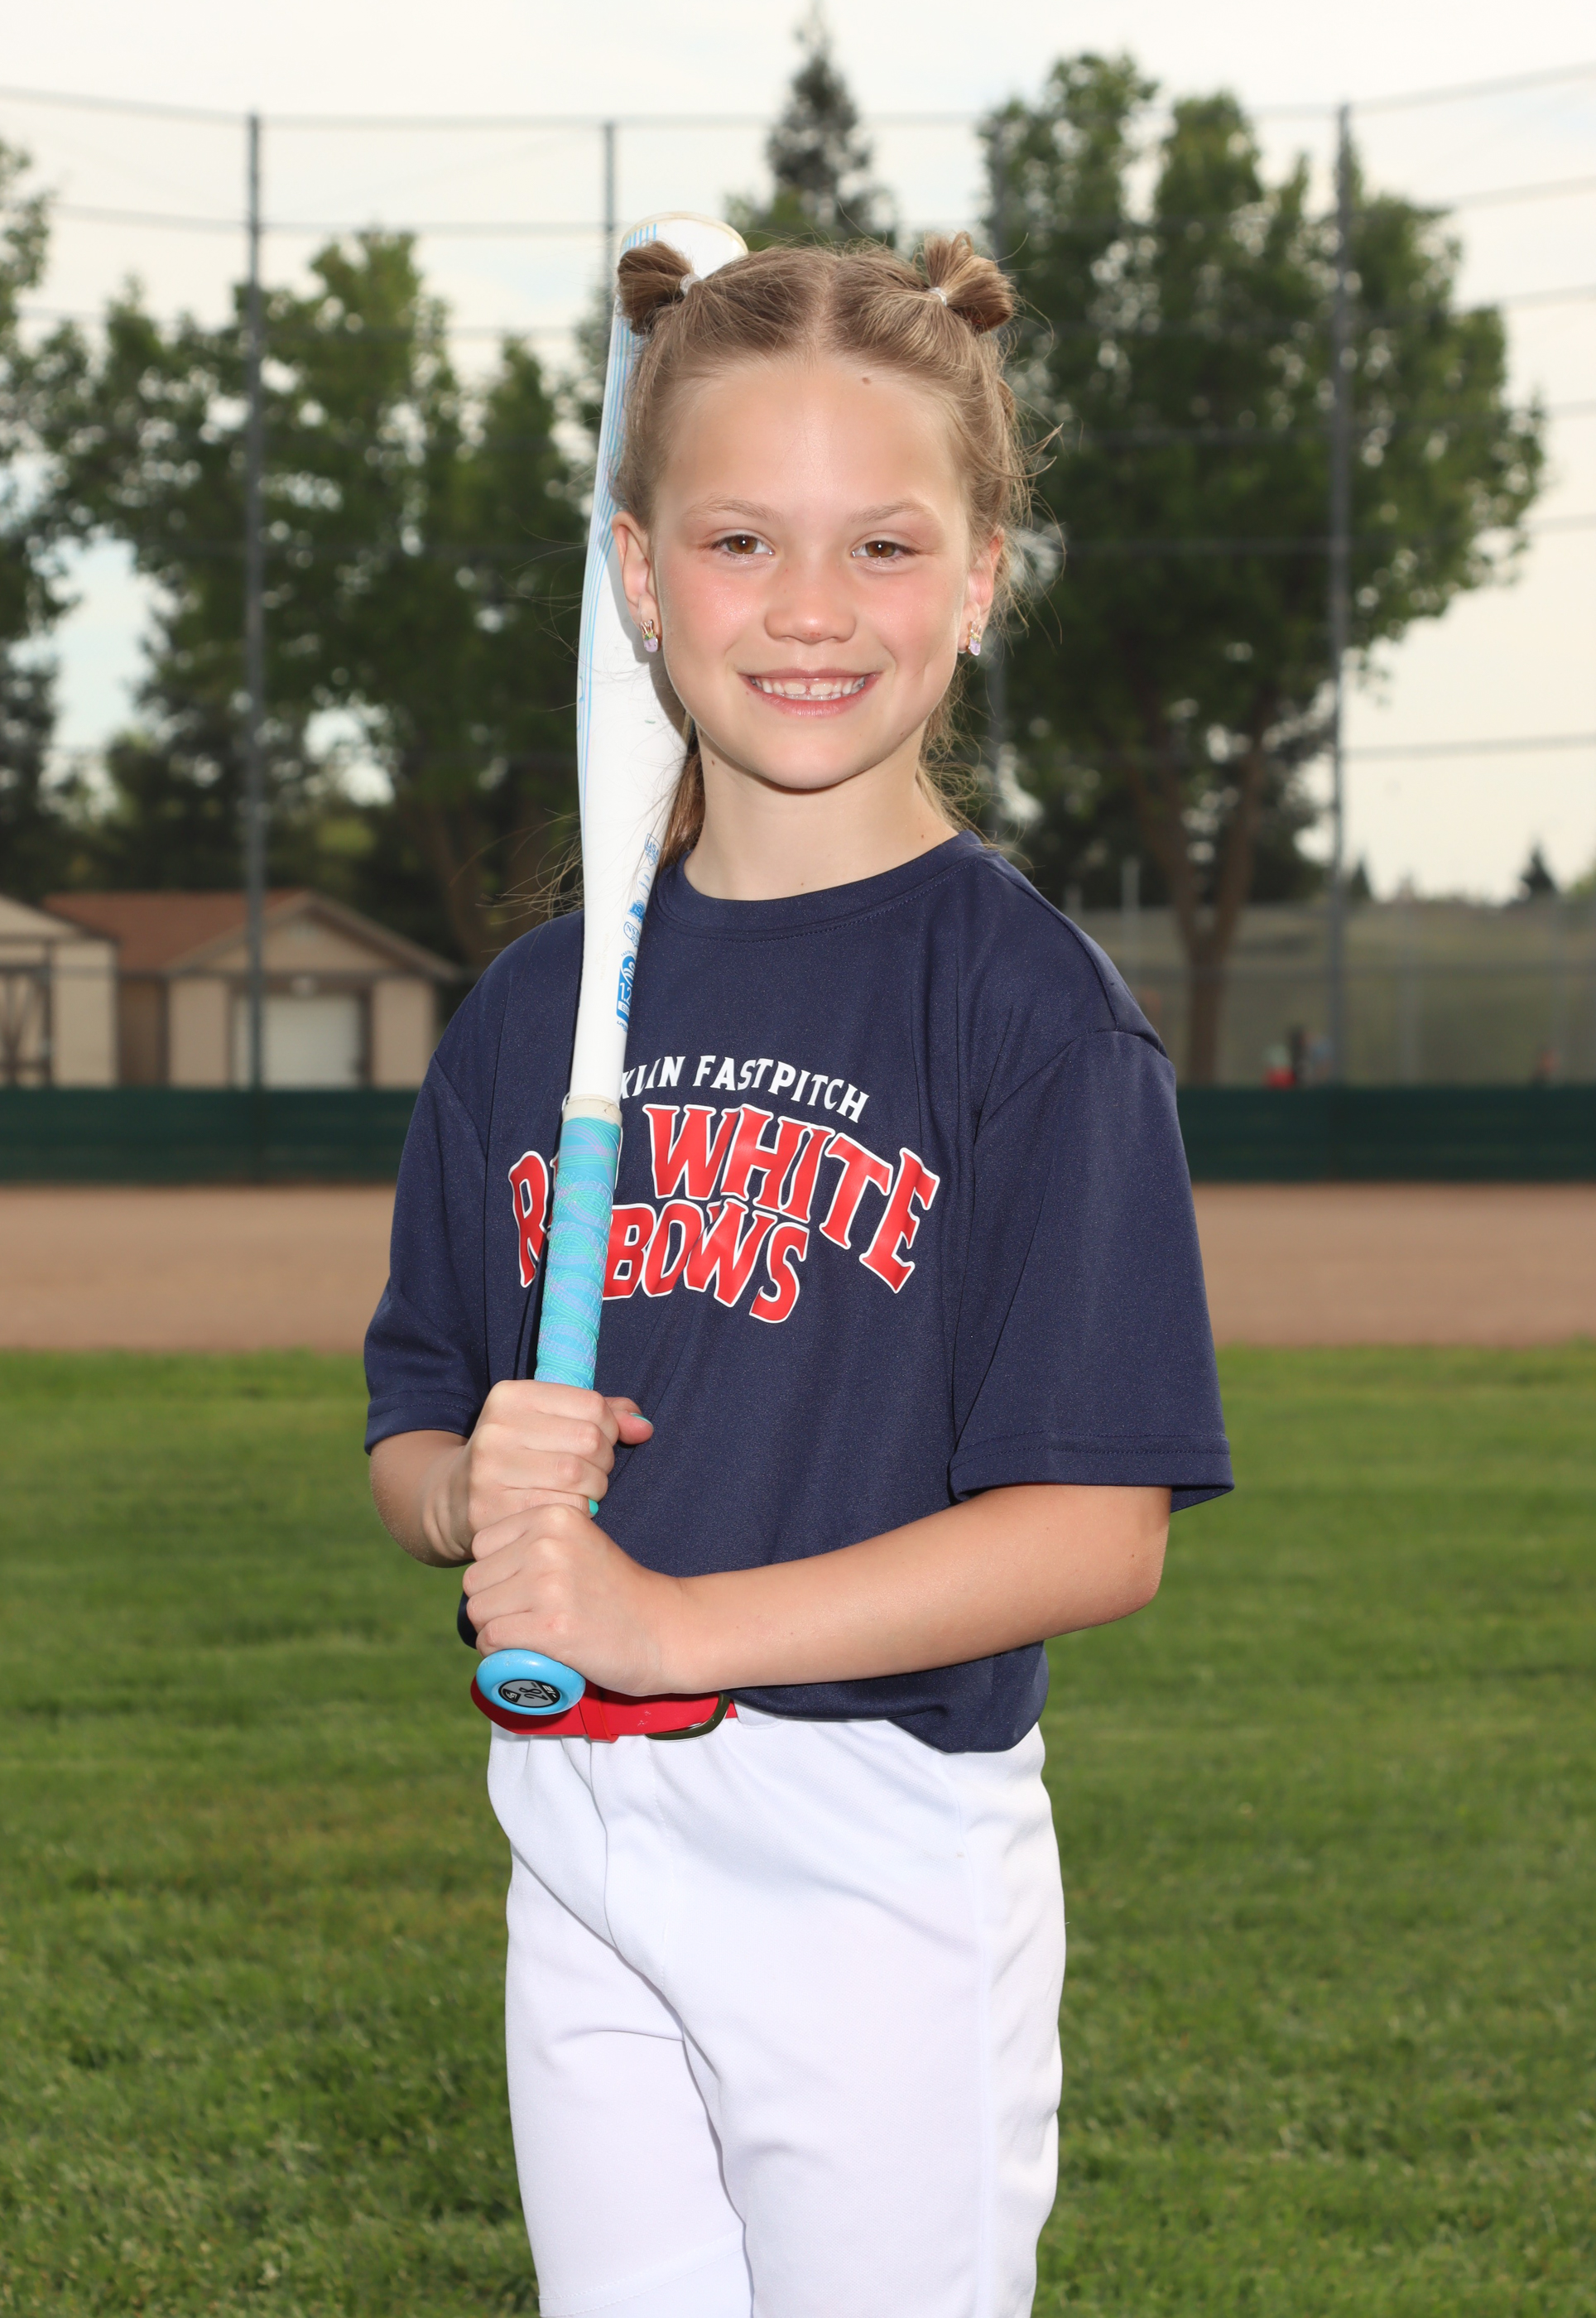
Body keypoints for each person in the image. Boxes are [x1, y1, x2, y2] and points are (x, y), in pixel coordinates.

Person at [364, 232, 1232, 2318]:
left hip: (869, 1846)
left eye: (884, 544)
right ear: (640, 576)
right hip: (575, 1814)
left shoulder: (1026, 1013)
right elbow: (413, 1424)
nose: (812, 606)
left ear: (981, 576)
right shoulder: (533, 1014)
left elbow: (1093, 1528)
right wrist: (470, 1484)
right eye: (741, 539)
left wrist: (673, 1617)